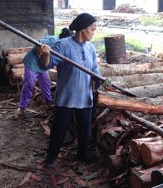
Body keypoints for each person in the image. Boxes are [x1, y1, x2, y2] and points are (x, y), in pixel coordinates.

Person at [38, 13, 105, 167]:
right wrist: (46, 54)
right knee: (59, 130)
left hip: (85, 97)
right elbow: (46, 65)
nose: (94, 33)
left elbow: (94, 69)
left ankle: (82, 155)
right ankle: (51, 158)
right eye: (92, 30)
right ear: (82, 29)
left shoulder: (91, 48)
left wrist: (99, 79)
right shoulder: (63, 45)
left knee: (85, 131)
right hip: (66, 97)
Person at [17, 28, 74, 116]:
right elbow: (38, 44)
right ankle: (22, 107)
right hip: (32, 63)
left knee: (46, 83)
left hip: (43, 66)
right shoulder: (53, 40)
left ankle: (48, 102)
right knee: (29, 84)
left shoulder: (64, 46)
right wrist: (42, 51)